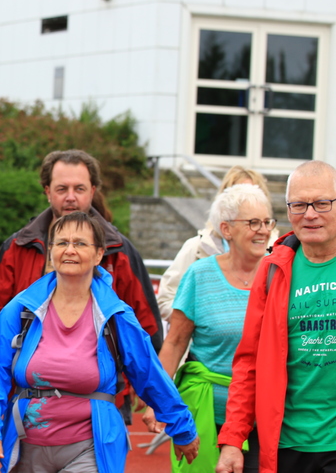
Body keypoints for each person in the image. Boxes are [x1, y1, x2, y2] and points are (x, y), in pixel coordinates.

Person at [0, 211, 199, 473]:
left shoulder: (116, 316)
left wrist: (182, 426)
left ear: (99, 254)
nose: (70, 250)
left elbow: (149, 374)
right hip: (27, 445)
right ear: (51, 251)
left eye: (80, 243)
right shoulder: (20, 309)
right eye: (62, 243)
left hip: (91, 446)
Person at [143, 184, 273, 472]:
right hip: (206, 413)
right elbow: (175, 342)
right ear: (226, 229)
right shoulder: (199, 275)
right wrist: (156, 399)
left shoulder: (279, 274)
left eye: (267, 222)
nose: (263, 230)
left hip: (263, 417)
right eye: (253, 222)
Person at [217, 161, 336, 473]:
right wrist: (233, 439)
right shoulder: (272, 271)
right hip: (284, 445)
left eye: (322, 203)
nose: (310, 214)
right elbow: (248, 362)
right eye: (299, 205)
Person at [0, 150, 162, 350]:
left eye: (79, 189)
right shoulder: (19, 247)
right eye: (62, 189)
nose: (71, 197)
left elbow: (147, 326)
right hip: (26, 366)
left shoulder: (119, 251)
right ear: (48, 192)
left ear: (92, 191)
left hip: (100, 367)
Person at [156, 166, 276, 319]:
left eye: (254, 193)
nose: (248, 199)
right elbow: (166, 299)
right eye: (238, 194)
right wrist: (206, 321)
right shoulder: (198, 247)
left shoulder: (278, 250)